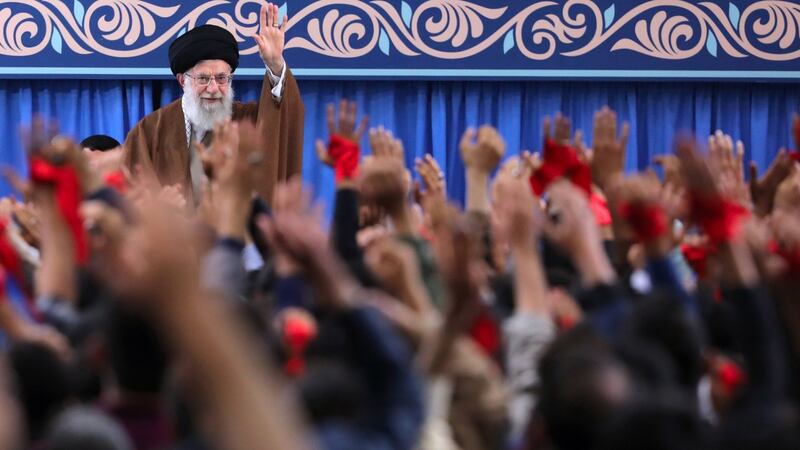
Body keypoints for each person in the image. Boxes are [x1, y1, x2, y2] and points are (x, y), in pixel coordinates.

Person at [123, 2, 304, 202]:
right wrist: (160, 208)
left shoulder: (248, 122)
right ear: (182, 80)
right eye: (203, 78)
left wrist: (275, 65)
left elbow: (278, 122)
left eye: (221, 78)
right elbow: (130, 199)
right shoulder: (149, 131)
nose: (213, 88)